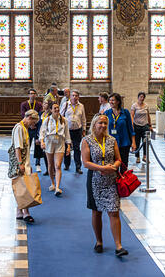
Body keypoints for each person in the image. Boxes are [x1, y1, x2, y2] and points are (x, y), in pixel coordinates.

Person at [82, 114, 127, 257]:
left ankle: (119, 246)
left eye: (105, 123)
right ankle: (99, 241)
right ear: (94, 124)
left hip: (111, 180)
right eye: (100, 123)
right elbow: (86, 162)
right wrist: (102, 168)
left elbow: (118, 159)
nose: (103, 126)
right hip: (95, 180)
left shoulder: (112, 140)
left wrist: (113, 167)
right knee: (97, 212)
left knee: (114, 211)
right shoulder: (87, 140)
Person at [11, 110, 41, 223]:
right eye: (33, 122)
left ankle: (19, 211)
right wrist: (20, 163)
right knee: (24, 187)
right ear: (29, 117)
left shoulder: (24, 128)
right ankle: (26, 213)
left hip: (25, 161)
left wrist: (28, 164)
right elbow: (17, 147)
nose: (33, 125)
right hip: (21, 162)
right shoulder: (19, 128)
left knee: (21, 186)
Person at [40, 103, 71, 196]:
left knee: (58, 166)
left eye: (58, 108)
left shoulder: (64, 120)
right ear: (51, 109)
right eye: (55, 108)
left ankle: (57, 187)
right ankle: (52, 183)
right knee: (50, 165)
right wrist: (42, 142)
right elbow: (42, 132)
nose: (57, 109)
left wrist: (68, 146)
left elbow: (67, 133)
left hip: (60, 142)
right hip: (49, 142)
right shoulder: (47, 120)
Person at [103, 93, 135, 173]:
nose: (111, 102)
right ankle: (115, 180)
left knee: (124, 164)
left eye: (113, 100)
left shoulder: (125, 112)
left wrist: (133, 142)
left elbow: (130, 128)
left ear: (118, 101)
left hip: (124, 142)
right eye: (110, 100)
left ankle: (123, 179)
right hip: (111, 143)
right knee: (113, 164)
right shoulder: (107, 113)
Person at [60, 89, 86, 174]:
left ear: (78, 97)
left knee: (77, 148)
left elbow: (83, 118)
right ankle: (66, 164)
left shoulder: (81, 106)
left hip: (77, 130)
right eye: (73, 95)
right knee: (66, 148)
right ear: (70, 97)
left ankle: (78, 167)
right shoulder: (65, 104)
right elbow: (60, 116)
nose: (74, 97)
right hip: (67, 130)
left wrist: (84, 129)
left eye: (76, 96)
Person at [20, 89, 45, 173]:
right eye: (31, 93)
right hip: (28, 127)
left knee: (37, 145)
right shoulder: (24, 104)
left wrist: (34, 123)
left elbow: (40, 115)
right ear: (28, 95)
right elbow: (23, 115)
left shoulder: (39, 104)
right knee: (27, 145)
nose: (32, 95)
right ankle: (26, 162)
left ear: (36, 95)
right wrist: (30, 124)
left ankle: (38, 164)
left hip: (36, 127)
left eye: (34, 93)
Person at [130, 92, 150, 165]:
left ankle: (145, 156)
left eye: (143, 97)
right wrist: (132, 124)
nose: (142, 98)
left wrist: (150, 125)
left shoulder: (146, 105)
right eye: (141, 97)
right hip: (137, 125)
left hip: (145, 125)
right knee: (137, 142)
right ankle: (137, 156)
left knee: (145, 142)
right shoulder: (134, 105)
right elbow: (132, 115)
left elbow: (148, 115)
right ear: (138, 97)